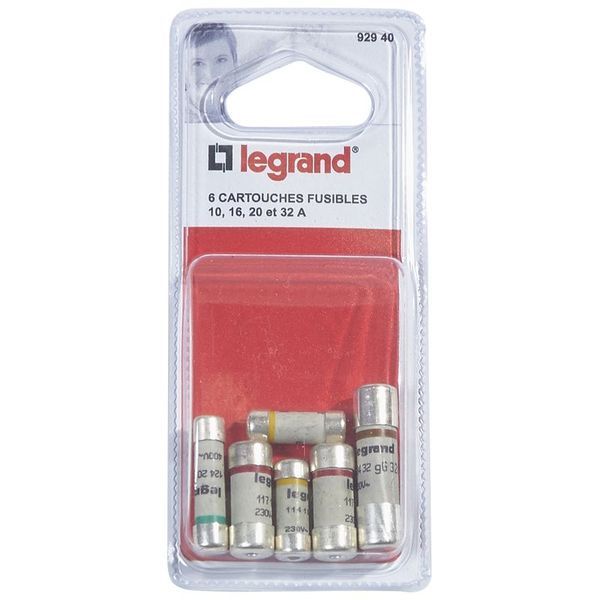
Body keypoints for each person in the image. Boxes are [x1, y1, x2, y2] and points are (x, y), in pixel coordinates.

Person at [185, 23, 238, 123]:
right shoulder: (176, 115)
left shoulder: (250, 105)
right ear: (184, 70)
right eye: (198, 63)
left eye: (221, 60)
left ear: (235, 62)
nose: (211, 74)